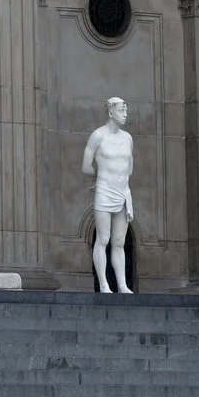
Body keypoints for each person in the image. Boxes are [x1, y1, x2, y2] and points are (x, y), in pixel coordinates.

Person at [82, 96, 134, 292]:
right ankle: (104, 283)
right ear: (111, 112)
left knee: (119, 242)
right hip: (105, 190)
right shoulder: (98, 136)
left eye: (126, 110)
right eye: (122, 110)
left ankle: (122, 284)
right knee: (103, 239)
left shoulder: (128, 138)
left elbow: (130, 167)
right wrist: (101, 177)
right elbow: (86, 166)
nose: (125, 114)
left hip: (123, 192)